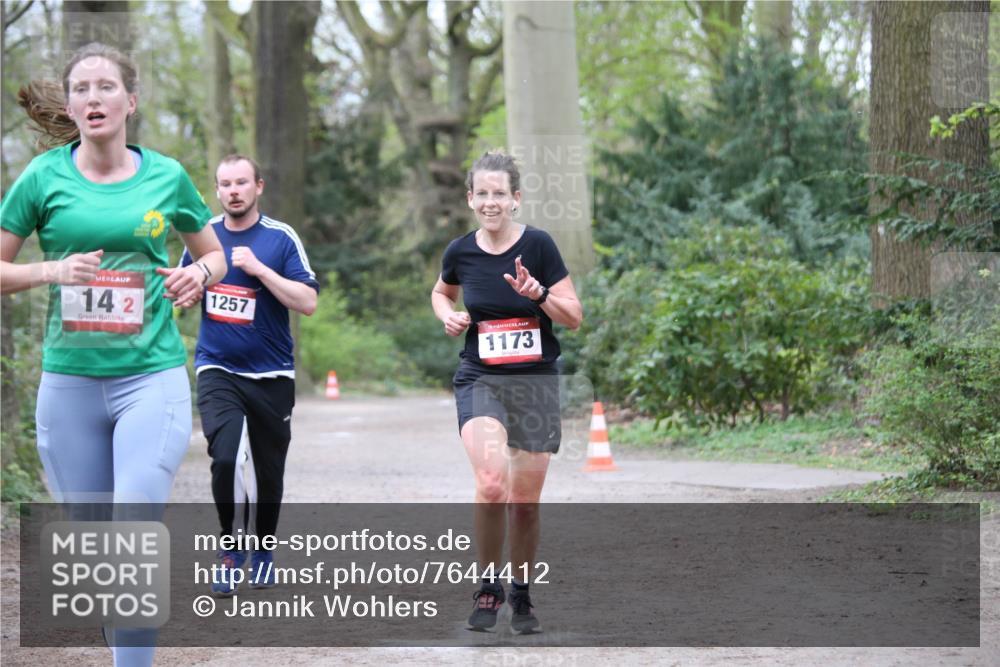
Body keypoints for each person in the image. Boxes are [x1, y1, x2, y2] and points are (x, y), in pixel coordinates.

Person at [0, 43, 226, 666]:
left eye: (105, 87)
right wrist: (52, 270)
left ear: (131, 100)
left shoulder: (166, 176)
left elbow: (213, 253)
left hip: (150, 378)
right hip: (69, 385)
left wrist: (198, 277)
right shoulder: (43, 177)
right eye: (81, 88)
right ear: (69, 105)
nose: (93, 98)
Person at [431, 151, 583, 633]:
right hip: (482, 378)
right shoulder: (460, 252)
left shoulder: (538, 246)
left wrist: (538, 295)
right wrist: (447, 316)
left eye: (501, 193)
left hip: (535, 382)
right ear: (470, 198)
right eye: (483, 193)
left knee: (524, 502)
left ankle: (521, 591)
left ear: (515, 199)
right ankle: (488, 585)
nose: (491, 202)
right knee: (493, 482)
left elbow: (574, 316)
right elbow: (441, 292)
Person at [180, 154, 318, 597]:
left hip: (272, 373)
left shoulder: (280, 238)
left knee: (268, 470)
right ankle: (229, 550)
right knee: (223, 458)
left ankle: (262, 549)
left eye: (241, 182)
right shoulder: (205, 238)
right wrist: (181, 295)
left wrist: (260, 270)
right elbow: (186, 287)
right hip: (217, 366)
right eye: (225, 184)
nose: (233, 190)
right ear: (216, 191)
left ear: (258, 186)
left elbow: (307, 301)